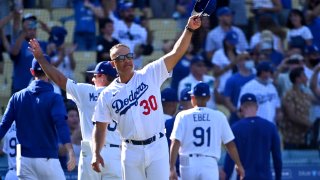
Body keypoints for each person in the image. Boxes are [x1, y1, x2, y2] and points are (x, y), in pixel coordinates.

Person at [91, 15, 201, 180]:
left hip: (157, 146)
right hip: (130, 151)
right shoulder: (107, 94)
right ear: (113, 64)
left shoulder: (149, 74)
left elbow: (176, 52)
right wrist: (96, 153)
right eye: (121, 58)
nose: (127, 60)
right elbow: (100, 127)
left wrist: (189, 29)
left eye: (129, 56)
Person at [28, 39, 122, 180]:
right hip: (116, 153)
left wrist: (40, 58)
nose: (92, 79)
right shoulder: (124, 94)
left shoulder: (86, 91)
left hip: (91, 151)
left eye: (95, 75)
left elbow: (59, 79)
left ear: (102, 76)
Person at [0, 56, 76, 179]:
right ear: (50, 71)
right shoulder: (54, 98)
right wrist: (70, 150)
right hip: (47, 159)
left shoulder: (17, 97)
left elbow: (3, 126)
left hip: (23, 161)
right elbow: (61, 124)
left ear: (32, 71)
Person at [169, 82, 245, 180]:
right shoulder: (219, 116)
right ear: (209, 98)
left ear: (192, 97)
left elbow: (175, 142)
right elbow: (230, 144)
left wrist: (171, 168)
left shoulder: (183, 115)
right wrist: (238, 164)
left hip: (188, 163)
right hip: (209, 162)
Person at [224, 93, 282, 180]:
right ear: (257, 107)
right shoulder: (270, 127)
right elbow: (277, 157)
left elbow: (230, 159)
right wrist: (278, 178)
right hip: (265, 177)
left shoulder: (235, 128)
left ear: (241, 108)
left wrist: (226, 176)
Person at [10, 13, 47, 94]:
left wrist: (48, 30)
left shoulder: (42, 44)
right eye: (29, 28)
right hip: (20, 88)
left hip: (37, 89)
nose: (32, 31)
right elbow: (13, 54)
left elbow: (58, 43)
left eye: (33, 28)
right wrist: (24, 32)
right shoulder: (19, 43)